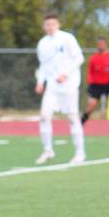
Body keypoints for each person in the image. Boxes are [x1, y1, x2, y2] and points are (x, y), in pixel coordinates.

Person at [34, 12, 86, 165]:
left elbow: (79, 58)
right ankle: (48, 150)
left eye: (53, 24)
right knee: (44, 116)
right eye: (47, 25)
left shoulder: (67, 38)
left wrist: (66, 74)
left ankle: (80, 153)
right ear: (44, 26)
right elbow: (43, 66)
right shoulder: (42, 44)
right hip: (52, 86)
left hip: (69, 86)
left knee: (72, 118)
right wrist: (40, 82)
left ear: (58, 25)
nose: (50, 27)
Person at [81, 37, 109, 135]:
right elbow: (90, 72)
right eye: (99, 44)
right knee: (91, 105)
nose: (100, 46)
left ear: (105, 45)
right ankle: (80, 124)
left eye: (102, 44)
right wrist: (90, 83)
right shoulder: (94, 58)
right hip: (96, 85)